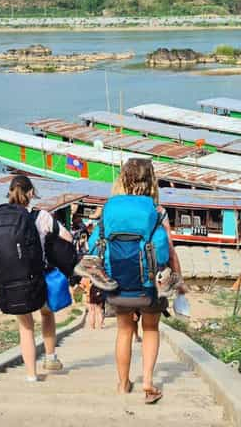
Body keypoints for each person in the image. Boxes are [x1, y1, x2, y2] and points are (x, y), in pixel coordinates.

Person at [105, 158, 185, 404]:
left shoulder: (111, 207)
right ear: (152, 180)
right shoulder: (157, 211)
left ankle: (122, 384)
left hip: (119, 281)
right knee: (150, 329)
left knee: (124, 330)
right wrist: (179, 282)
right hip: (152, 283)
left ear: (123, 179)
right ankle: (148, 382)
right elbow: (169, 250)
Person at [0, 175, 72, 382]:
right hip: (39, 279)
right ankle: (50, 358)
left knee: (25, 326)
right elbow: (67, 237)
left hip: (10, 282)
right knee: (47, 315)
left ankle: (31, 374)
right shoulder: (40, 216)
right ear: (31, 193)